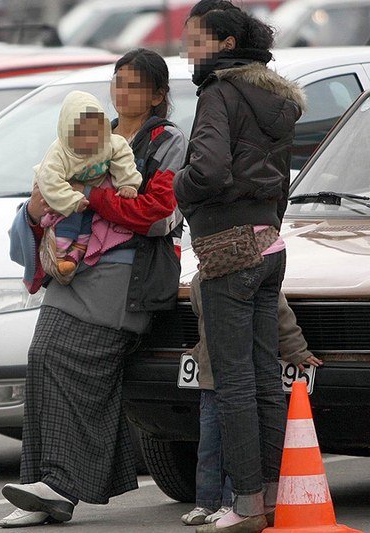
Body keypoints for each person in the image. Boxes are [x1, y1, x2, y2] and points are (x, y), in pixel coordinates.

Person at [2, 48, 187, 528]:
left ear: (159, 95)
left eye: (135, 84)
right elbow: (48, 186)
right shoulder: (87, 129)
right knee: (42, 356)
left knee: (82, 368)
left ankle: (58, 486)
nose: (122, 92)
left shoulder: (166, 141)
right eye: (117, 81)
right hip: (73, 268)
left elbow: (161, 215)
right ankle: (44, 485)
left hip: (125, 279)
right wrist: (36, 211)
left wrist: (92, 198)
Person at [174, 0, 306, 531]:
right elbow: (280, 181)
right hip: (269, 245)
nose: (187, 48)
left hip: (228, 248)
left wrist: (174, 189)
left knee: (232, 383)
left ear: (227, 44)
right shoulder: (274, 98)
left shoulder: (219, 93)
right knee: (262, 379)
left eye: (196, 38)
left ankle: (246, 504)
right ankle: (271, 498)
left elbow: (206, 171)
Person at [181, 274, 323, 526]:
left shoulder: (250, 276)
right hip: (212, 377)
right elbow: (203, 320)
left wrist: (297, 351)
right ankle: (205, 501)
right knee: (209, 447)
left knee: (238, 444)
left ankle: (230, 502)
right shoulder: (199, 280)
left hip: (238, 379)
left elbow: (281, 317)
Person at [33, 91, 142, 282]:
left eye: (95, 133)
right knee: (68, 217)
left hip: (88, 193)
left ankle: (76, 253)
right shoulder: (58, 153)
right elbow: (49, 180)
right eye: (81, 134)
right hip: (61, 191)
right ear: (67, 131)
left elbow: (124, 156)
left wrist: (128, 183)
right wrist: (71, 199)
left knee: (89, 222)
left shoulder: (110, 143)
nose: (89, 139)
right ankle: (61, 252)